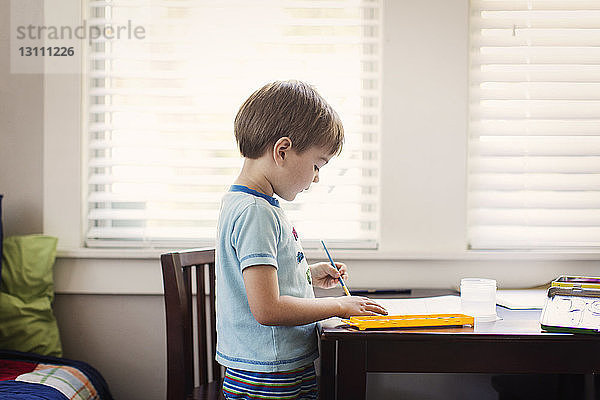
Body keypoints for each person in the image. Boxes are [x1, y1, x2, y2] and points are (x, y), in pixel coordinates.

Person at [215, 80, 387, 400]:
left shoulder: (251, 203)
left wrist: (307, 273)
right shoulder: (256, 212)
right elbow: (267, 309)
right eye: (317, 165)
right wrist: (338, 306)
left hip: (268, 364)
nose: (317, 177)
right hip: (270, 371)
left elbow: (263, 276)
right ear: (282, 151)